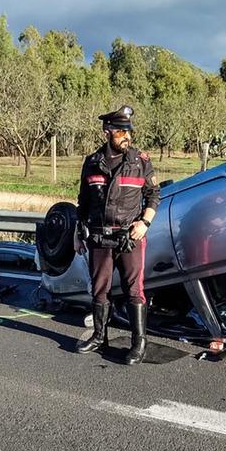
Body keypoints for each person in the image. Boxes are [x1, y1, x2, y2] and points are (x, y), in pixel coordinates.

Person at [73, 105, 160, 365]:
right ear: (107, 131)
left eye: (128, 132)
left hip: (129, 237)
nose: (127, 136)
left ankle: (138, 343)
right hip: (99, 237)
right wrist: (79, 233)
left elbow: (154, 195)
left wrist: (145, 222)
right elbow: (83, 202)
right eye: (121, 132)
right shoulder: (92, 163)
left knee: (135, 290)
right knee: (99, 289)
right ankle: (100, 336)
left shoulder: (140, 161)